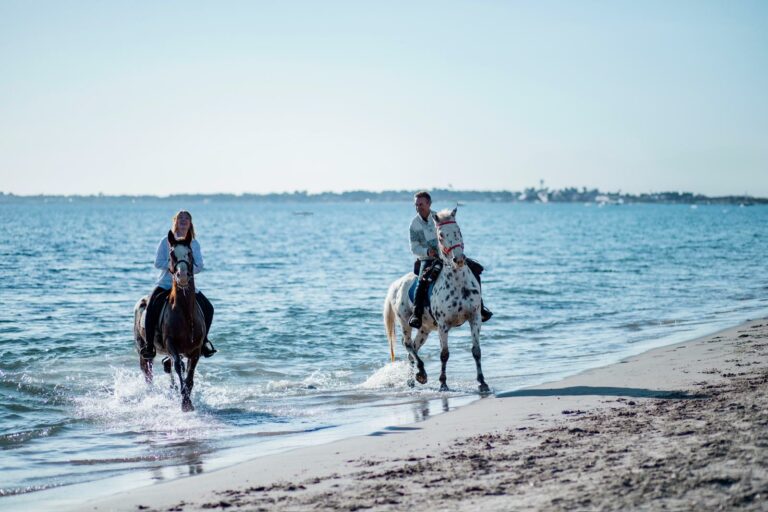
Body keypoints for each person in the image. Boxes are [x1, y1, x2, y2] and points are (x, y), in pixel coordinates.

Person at [408, 191, 493, 329]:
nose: (418, 207)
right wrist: (427, 251)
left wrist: (453, 250)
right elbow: (414, 247)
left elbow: (453, 235)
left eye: (421, 204)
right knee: (422, 281)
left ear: (429, 204)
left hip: (447, 256)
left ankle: (480, 308)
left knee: (475, 270)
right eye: (416, 205)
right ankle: (417, 314)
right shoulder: (414, 224)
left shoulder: (440, 218)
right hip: (427, 259)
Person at [140, 210, 217, 359]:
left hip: (187, 284)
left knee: (209, 308)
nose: (183, 220)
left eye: (186, 218)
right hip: (166, 284)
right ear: (175, 221)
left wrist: (186, 271)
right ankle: (149, 346)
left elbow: (199, 265)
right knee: (150, 308)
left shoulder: (194, 243)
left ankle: (204, 342)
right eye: (180, 218)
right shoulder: (165, 241)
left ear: (190, 223)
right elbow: (157, 263)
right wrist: (173, 267)